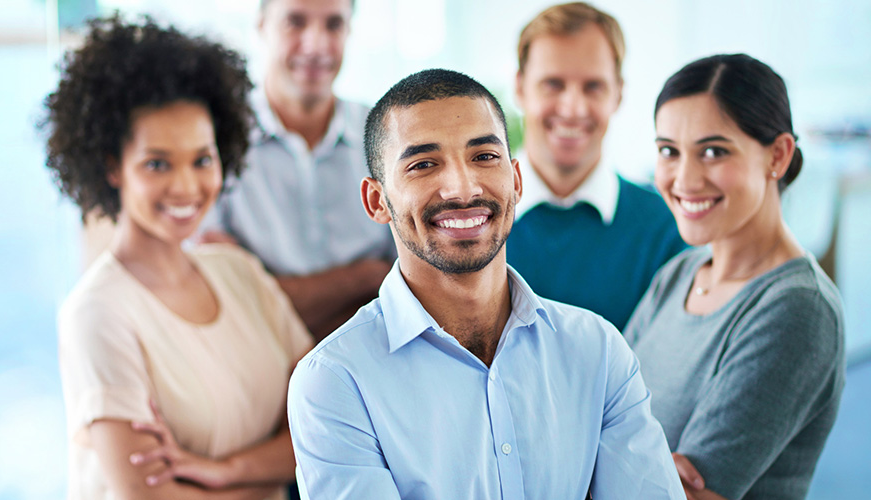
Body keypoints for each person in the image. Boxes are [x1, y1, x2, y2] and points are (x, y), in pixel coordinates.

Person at [286, 68, 683, 499]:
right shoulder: (335, 381)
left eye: (484, 157)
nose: (462, 188)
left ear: (515, 180)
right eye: (423, 164)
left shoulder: (598, 351)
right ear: (376, 200)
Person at [44, 16, 313, 500]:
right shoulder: (99, 314)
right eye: (157, 164)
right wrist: (270, 472)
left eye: (202, 159)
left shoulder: (238, 272)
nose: (187, 187)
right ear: (112, 167)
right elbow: (146, 496)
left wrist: (225, 471)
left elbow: (323, 420)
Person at [623, 53, 845, 500]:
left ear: (778, 155)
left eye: (713, 151)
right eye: (669, 151)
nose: (684, 178)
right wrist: (637, 466)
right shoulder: (680, 274)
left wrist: (609, 457)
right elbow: (602, 407)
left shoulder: (797, 309)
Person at [197, 0, 395, 339]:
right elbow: (232, 301)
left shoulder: (388, 134)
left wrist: (276, 295)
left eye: (333, 24)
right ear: (261, 26)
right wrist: (369, 278)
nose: (316, 44)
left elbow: (419, 286)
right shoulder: (210, 142)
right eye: (295, 22)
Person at [506, 2, 685, 330]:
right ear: (520, 87)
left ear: (618, 94)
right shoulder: (468, 219)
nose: (573, 108)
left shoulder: (666, 230)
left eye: (593, 87)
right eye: (553, 84)